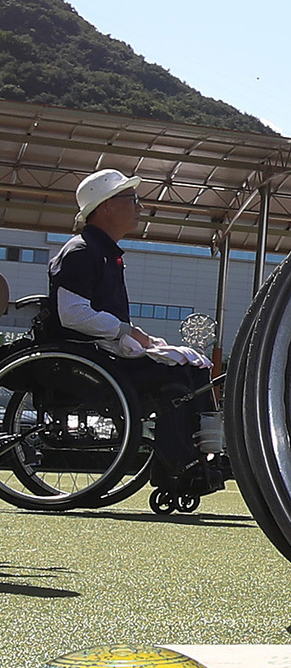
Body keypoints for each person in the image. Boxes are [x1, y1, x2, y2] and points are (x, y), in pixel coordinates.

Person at [46, 169, 223, 496]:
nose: (140, 207)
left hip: (103, 356)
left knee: (191, 370)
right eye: (132, 200)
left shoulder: (104, 253)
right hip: (83, 364)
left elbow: (99, 317)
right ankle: (178, 467)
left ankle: (204, 456)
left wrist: (139, 336)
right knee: (173, 380)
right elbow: (70, 313)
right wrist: (126, 330)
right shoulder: (82, 251)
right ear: (106, 207)